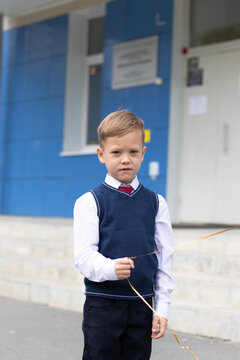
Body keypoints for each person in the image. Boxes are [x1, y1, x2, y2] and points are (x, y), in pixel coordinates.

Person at [74, 110, 175, 360]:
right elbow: (84, 257)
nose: (125, 160)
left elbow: (165, 258)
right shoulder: (90, 202)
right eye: (116, 152)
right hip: (103, 305)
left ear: (143, 153)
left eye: (133, 152)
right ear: (101, 154)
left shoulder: (156, 202)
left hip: (143, 305)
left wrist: (161, 309)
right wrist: (110, 268)